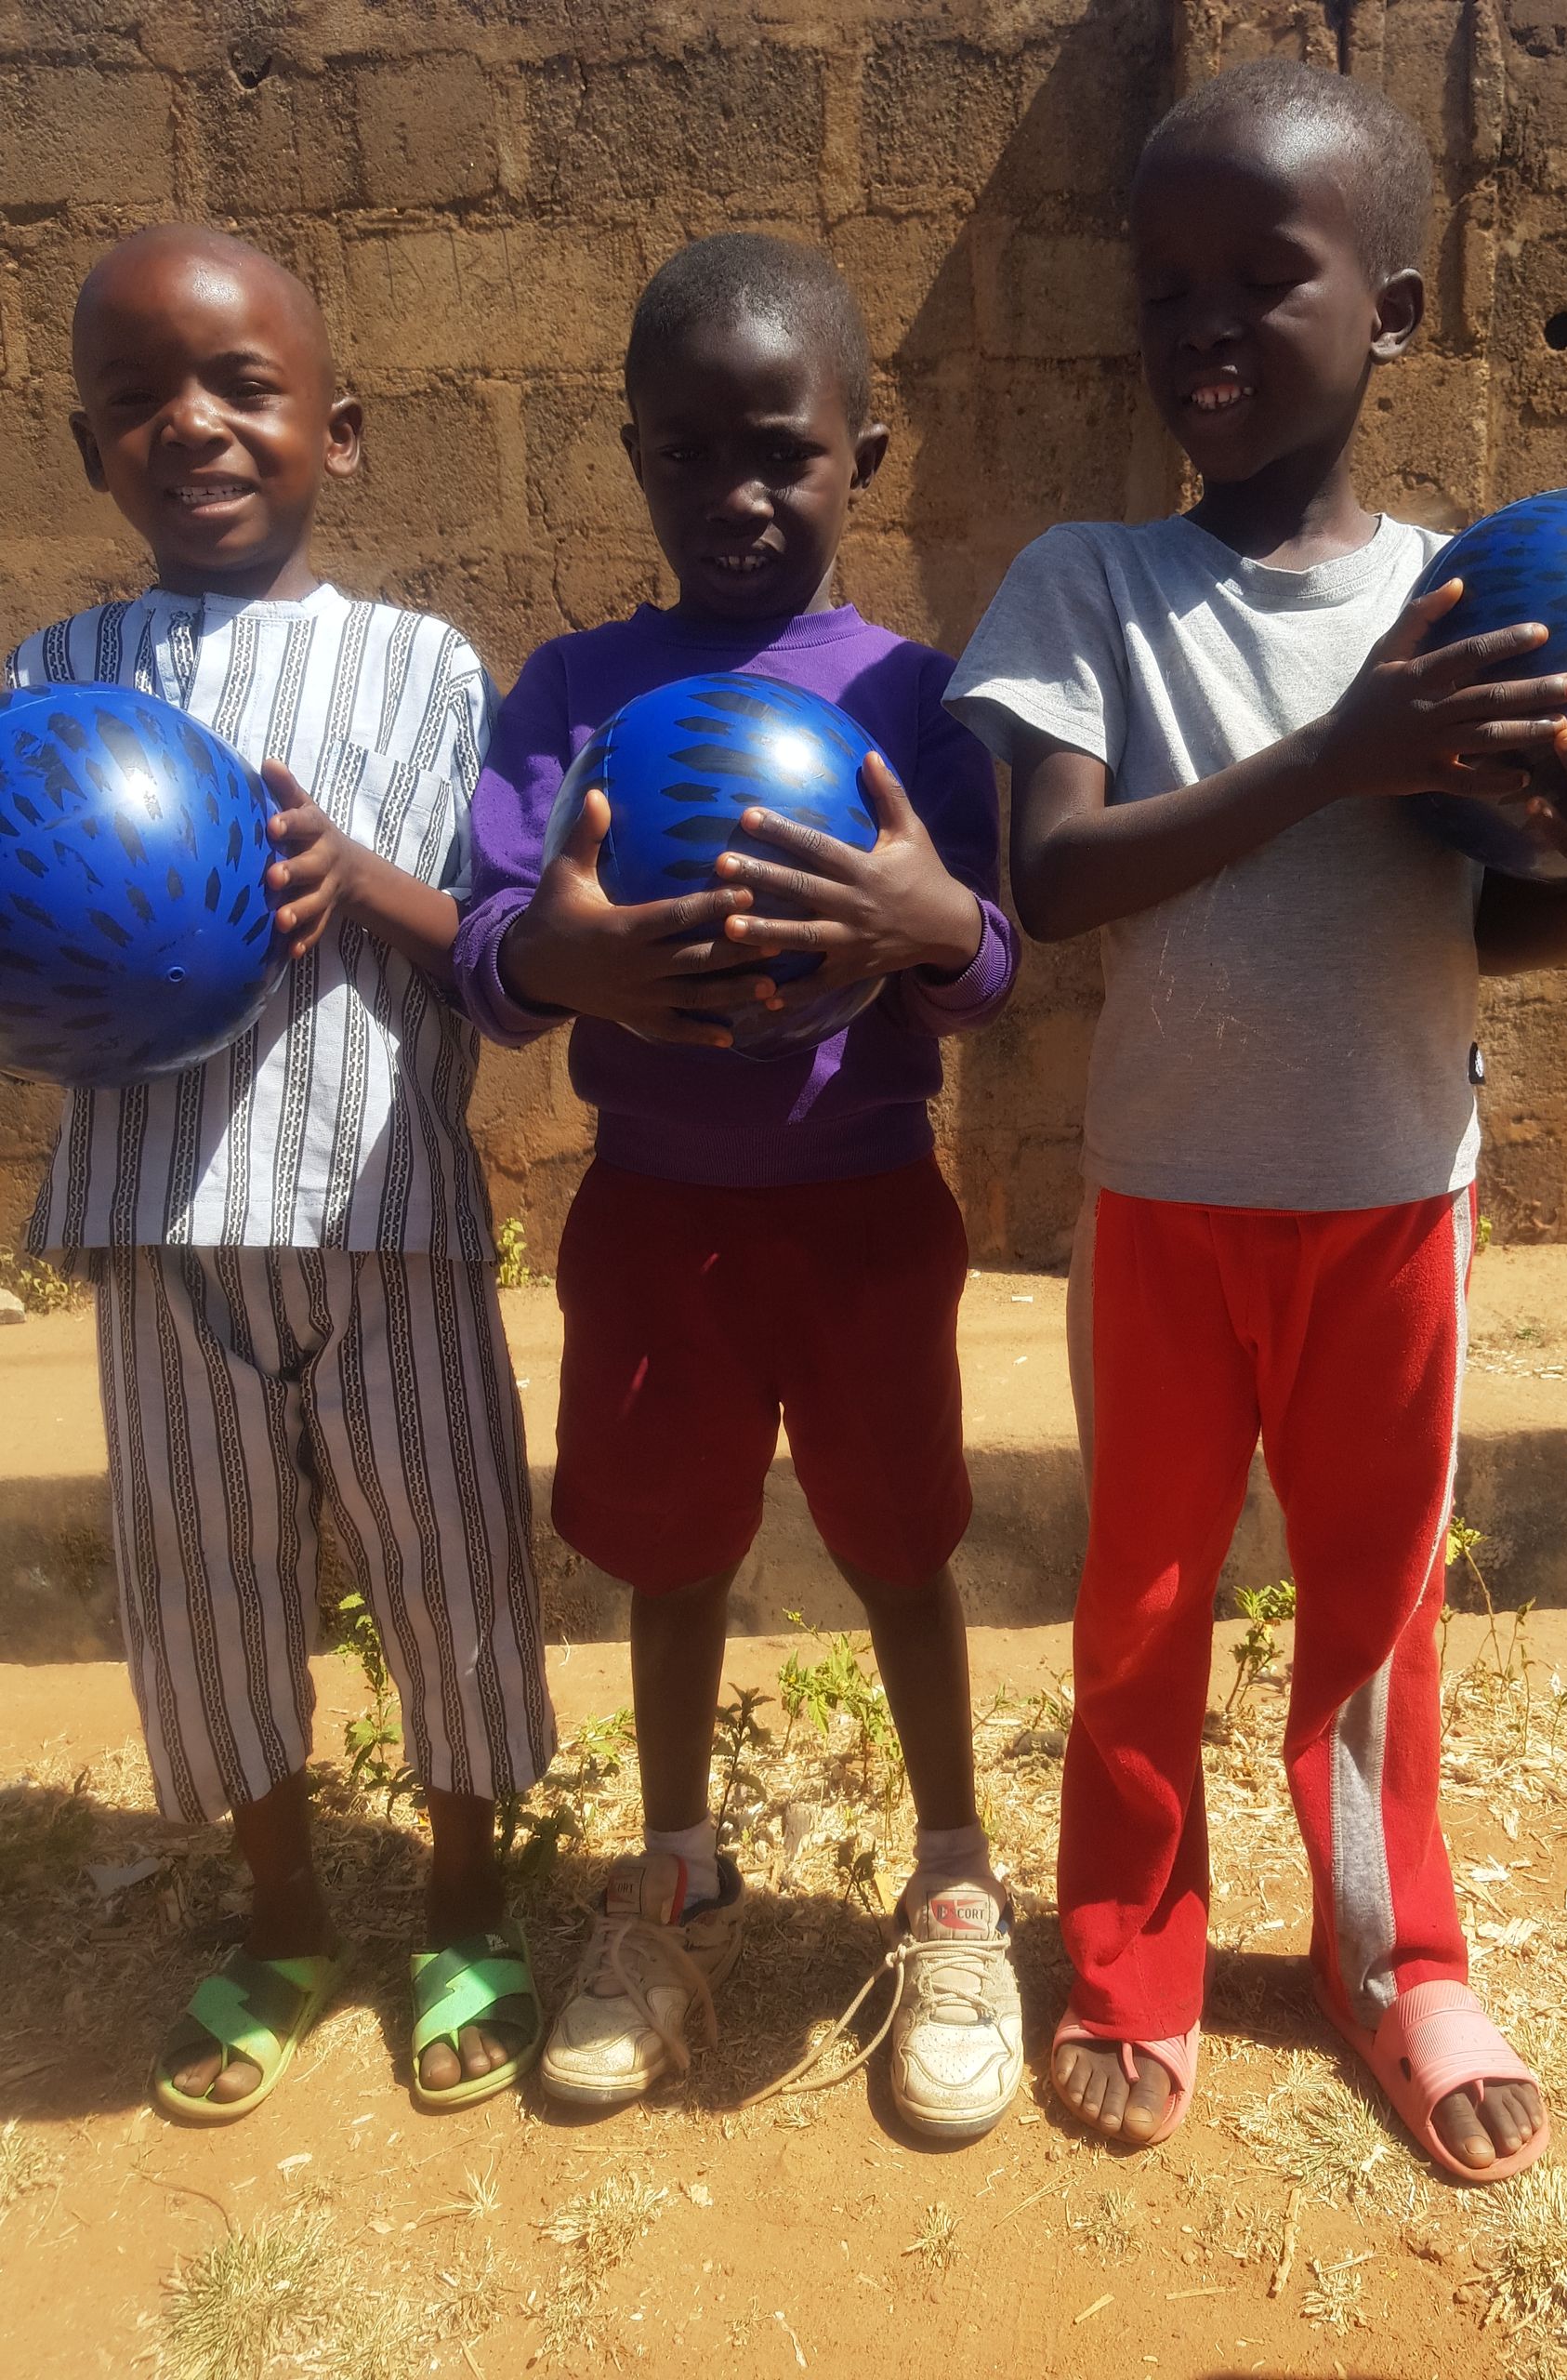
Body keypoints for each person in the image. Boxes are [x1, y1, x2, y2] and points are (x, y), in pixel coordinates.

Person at [946, 60, 1567, 2179]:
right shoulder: (1089, 582)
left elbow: (1483, 920)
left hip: (1399, 1198)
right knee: (1141, 1607)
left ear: (1395, 312)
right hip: (1167, 1202)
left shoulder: (1479, 601)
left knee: (1379, 1609)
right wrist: (1338, 750)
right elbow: (1057, 876)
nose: (1202, 323)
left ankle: (1393, 1957)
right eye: (1165, 286)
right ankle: (1130, 1948)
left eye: (1264, 276)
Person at [454, 234, 1025, 2141]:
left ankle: (954, 1876)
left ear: (865, 454)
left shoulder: (916, 695)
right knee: (674, 1551)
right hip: (654, 1220)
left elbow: (988, 961)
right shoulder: (576, 690)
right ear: (632, 455)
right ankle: (679, 1867)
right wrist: (564, 958)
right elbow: (490, 950)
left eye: (783, 451)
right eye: (688, 452)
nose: (739, 493)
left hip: (867, 1214)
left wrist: (934, 919)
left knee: (901, 1547)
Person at [7, 224, 557, 2121]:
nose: (194, 425)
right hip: (158, 1225)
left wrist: (360, 882)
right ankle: (281, 1916)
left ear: (343, 426)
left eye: (244, 387)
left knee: (450, 1562)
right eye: (139, 398)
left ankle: (467, 1900)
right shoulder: (54, 675)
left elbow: (496, 944)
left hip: (382, 1209)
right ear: (89, 450)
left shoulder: (423, 669)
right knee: (207, 1582)